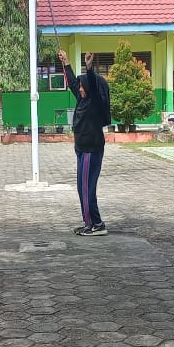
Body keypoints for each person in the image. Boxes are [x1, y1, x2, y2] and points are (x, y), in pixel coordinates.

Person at [60, 49, 111, 236]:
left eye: (83, 86)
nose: (79, 88)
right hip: (81, 150)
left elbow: (93, 87)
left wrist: (89, 67)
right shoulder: (82, 100)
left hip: (91, 150)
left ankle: (96, 224)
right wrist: (66, 62)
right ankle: (89, 223)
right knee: (82, 188)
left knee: (87, 188)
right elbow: (73, 83)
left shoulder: (94, 101)